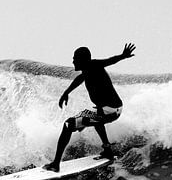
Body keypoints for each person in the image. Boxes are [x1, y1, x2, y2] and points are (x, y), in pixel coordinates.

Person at [43, 43, 135, 172]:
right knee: (93, 117)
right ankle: (108, 150)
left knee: (68, 124)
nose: (73, 61)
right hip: (110, 109)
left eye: (75, 58)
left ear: (84, 60)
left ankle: (56, 164)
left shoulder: (94, 65)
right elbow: (80, 78)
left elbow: (109, 61)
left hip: (110, 111)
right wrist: (66, 92)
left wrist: (123, 56)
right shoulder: (87, 70)